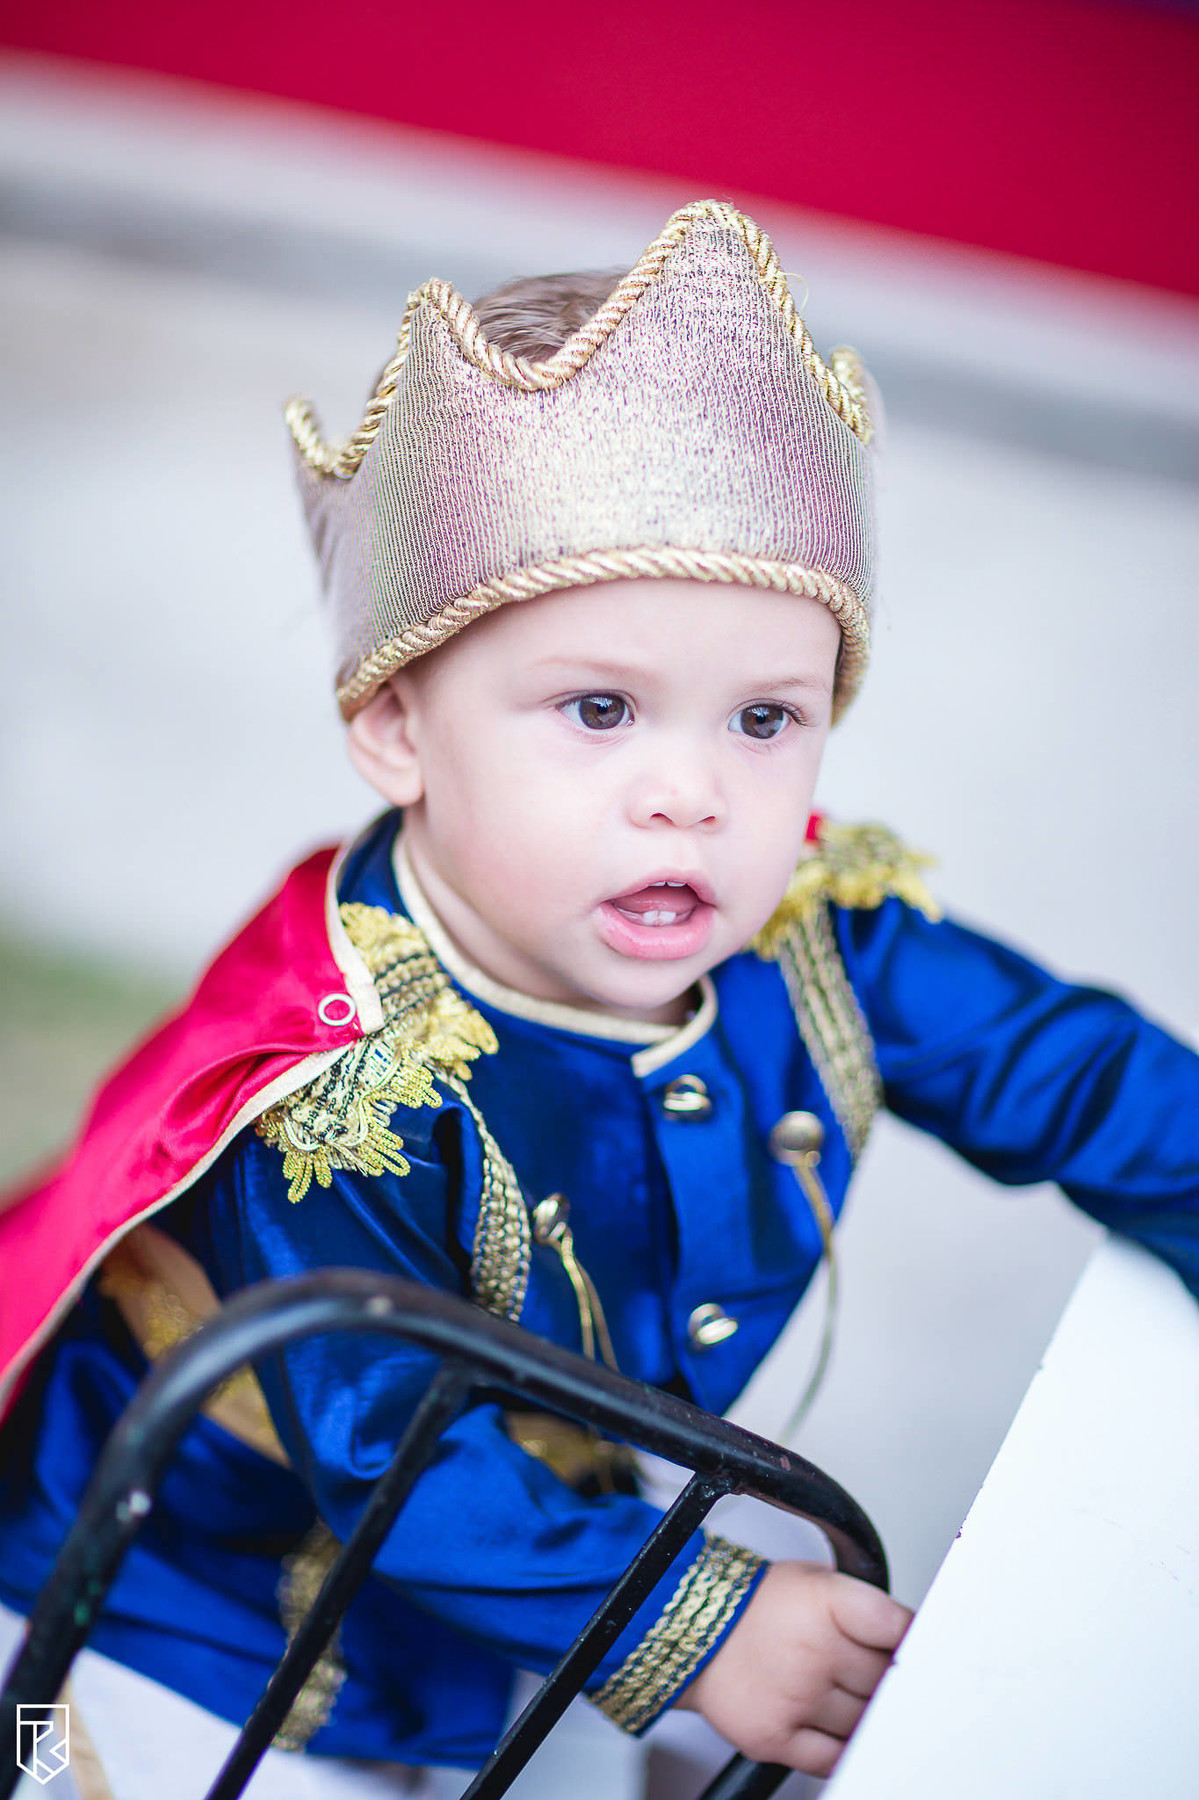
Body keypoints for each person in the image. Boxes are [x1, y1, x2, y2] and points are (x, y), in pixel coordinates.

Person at [1, 199, 1195, 1799]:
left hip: (537, 1550)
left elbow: (1073, 1072)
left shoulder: (810, 934)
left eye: (765, 719)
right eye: (599, 708)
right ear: (400, 733)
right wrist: (692, 1626)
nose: (691, 792)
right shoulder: (348, 1086)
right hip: (185, 1617)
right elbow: (383, 1436)